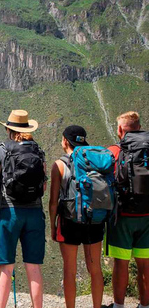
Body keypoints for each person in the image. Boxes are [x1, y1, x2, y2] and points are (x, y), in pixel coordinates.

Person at [0, 110, 46, 308]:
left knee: (5, 266)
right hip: (35, 214)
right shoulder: (38, 151)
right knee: (33, 267)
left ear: (8, 129)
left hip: (9, 212)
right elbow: (43, 186)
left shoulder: (1, 151)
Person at [49, 125, 105, 308]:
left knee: (70, 270)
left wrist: (52, 225)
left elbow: (53, 201)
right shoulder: (95, 161)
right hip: (94, 219)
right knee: (95, 269)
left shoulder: (59, 165)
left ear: (65, 141)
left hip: (69, 221)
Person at [106, 111, 149, 308]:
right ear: (139, 128)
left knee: (120, 263)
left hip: (122, 215)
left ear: (120, 130)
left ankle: (119, 305)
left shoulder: (114, 151)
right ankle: (145, 304)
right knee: (145, 264)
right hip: (147, 214)